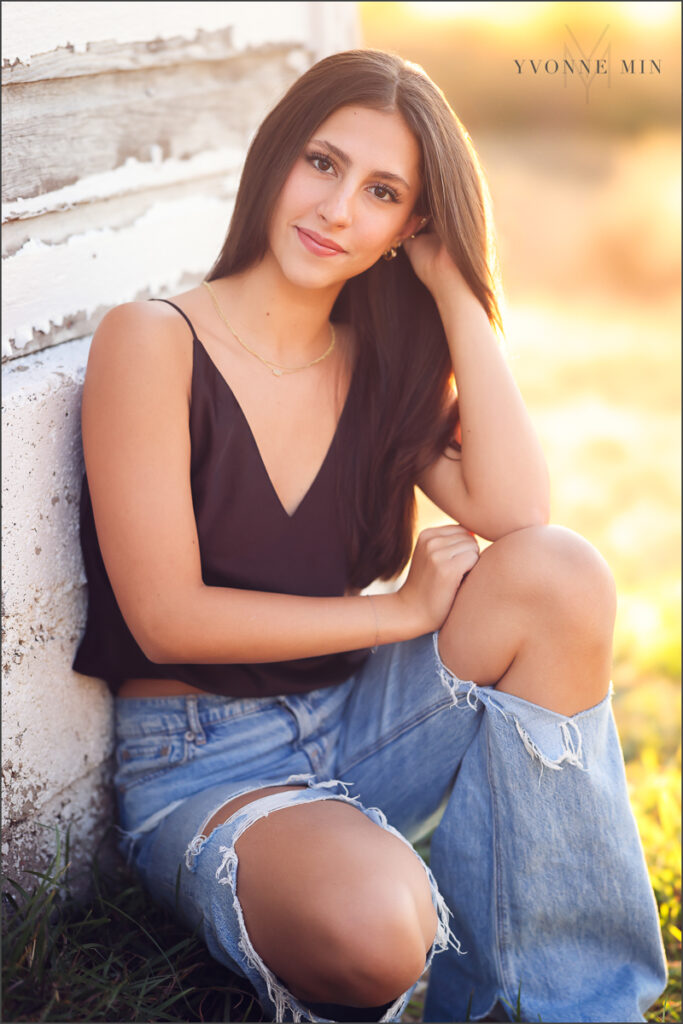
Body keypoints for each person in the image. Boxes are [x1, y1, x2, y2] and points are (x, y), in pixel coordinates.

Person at [72, 48, 667, 1023]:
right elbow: (166, 617)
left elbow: (518, 522)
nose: (337, 209)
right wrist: (394, 614)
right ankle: (360, 880)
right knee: (381, 934)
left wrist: (456, 290)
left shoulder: (379, 362)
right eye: (322, 163)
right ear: (276, 159)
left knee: (559, 573)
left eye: (382, 191)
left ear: (409, 223)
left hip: (356, 725)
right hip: (206, 764)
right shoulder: (152, 340)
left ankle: (564, 1007)